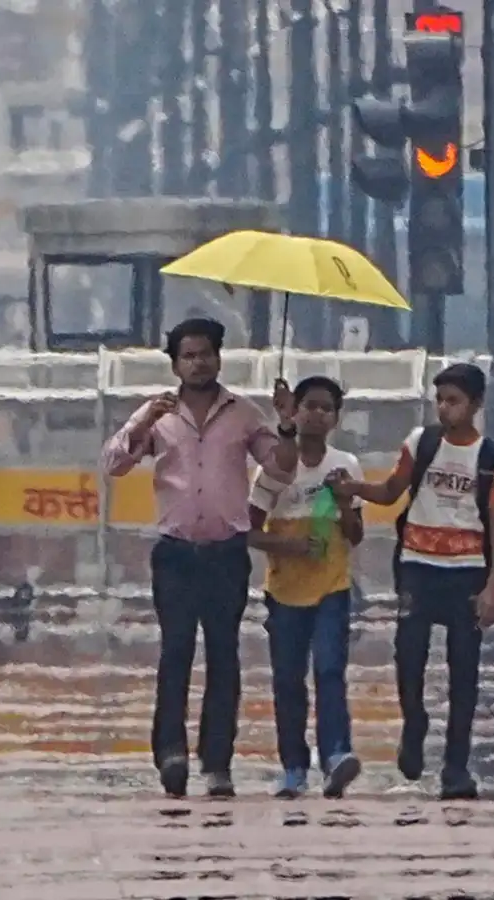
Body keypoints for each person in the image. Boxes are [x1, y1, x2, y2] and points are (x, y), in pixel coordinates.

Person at [100, 317, 298, 799]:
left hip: (227, 554)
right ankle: (170, 754)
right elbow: (114, 463)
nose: (198, 362)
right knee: (175, 654)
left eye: (206, 353)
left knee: (224, 657)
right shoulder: (158, 414)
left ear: (219, 357)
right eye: (188, 355)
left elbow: (282, 469)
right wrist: (142, 423)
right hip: (175, 554)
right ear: (174, 363)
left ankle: (217, 762)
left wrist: (287, 424)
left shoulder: (245, 414)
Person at [328, 362, 494, 799]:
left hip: (466, 570)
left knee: (464, 670)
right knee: (409, 654)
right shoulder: (422, 444)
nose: (445, 409)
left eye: (455, 401)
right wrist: (353, 488)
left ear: (476, 405)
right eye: (440, 400)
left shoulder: (491, 459)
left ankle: (456, 767)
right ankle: (415, 723)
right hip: (416, 565)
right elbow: (392, 491)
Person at [248, 376, 365, 799]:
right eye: (309, 406)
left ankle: (336, 755)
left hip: (332, 586)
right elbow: (247, 531)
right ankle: (294, 767)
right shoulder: (274, 469)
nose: (316, 414)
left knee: (330, 670)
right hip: (284, 592)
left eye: (325, 408)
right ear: (292, 411)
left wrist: (345, 500)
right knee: (288, 679)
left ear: (336, 418)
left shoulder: (346, 465)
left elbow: (355, 535)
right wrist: (291, 545)